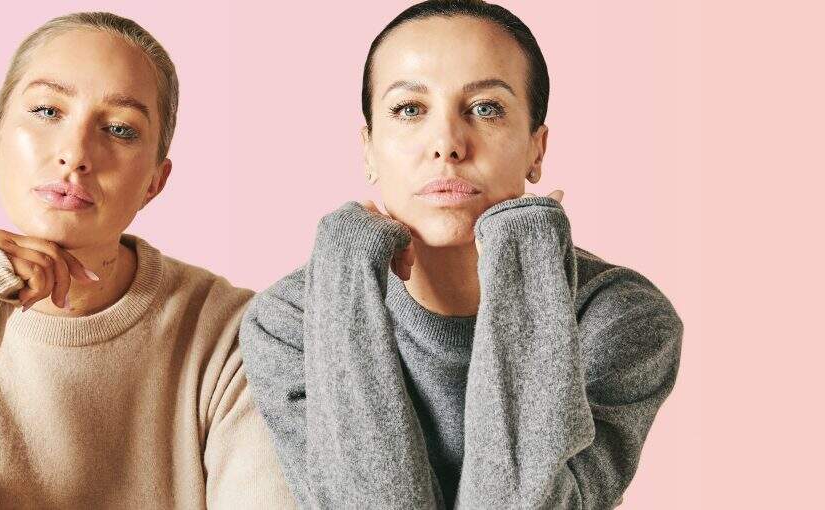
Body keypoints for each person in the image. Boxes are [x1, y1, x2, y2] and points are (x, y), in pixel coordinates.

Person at [0, 12, 294, 509]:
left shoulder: (236, 337)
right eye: (46, 111)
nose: (75, 152)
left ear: (156, 179)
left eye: (121, 129)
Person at [238, 1, 684, 508]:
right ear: (368, 148)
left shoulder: (619, 316)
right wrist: (344, 277)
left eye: (486, 108)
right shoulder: (289, 322)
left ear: (536, 149)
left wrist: (525, 259)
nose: (448, 144)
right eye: (410, 110)